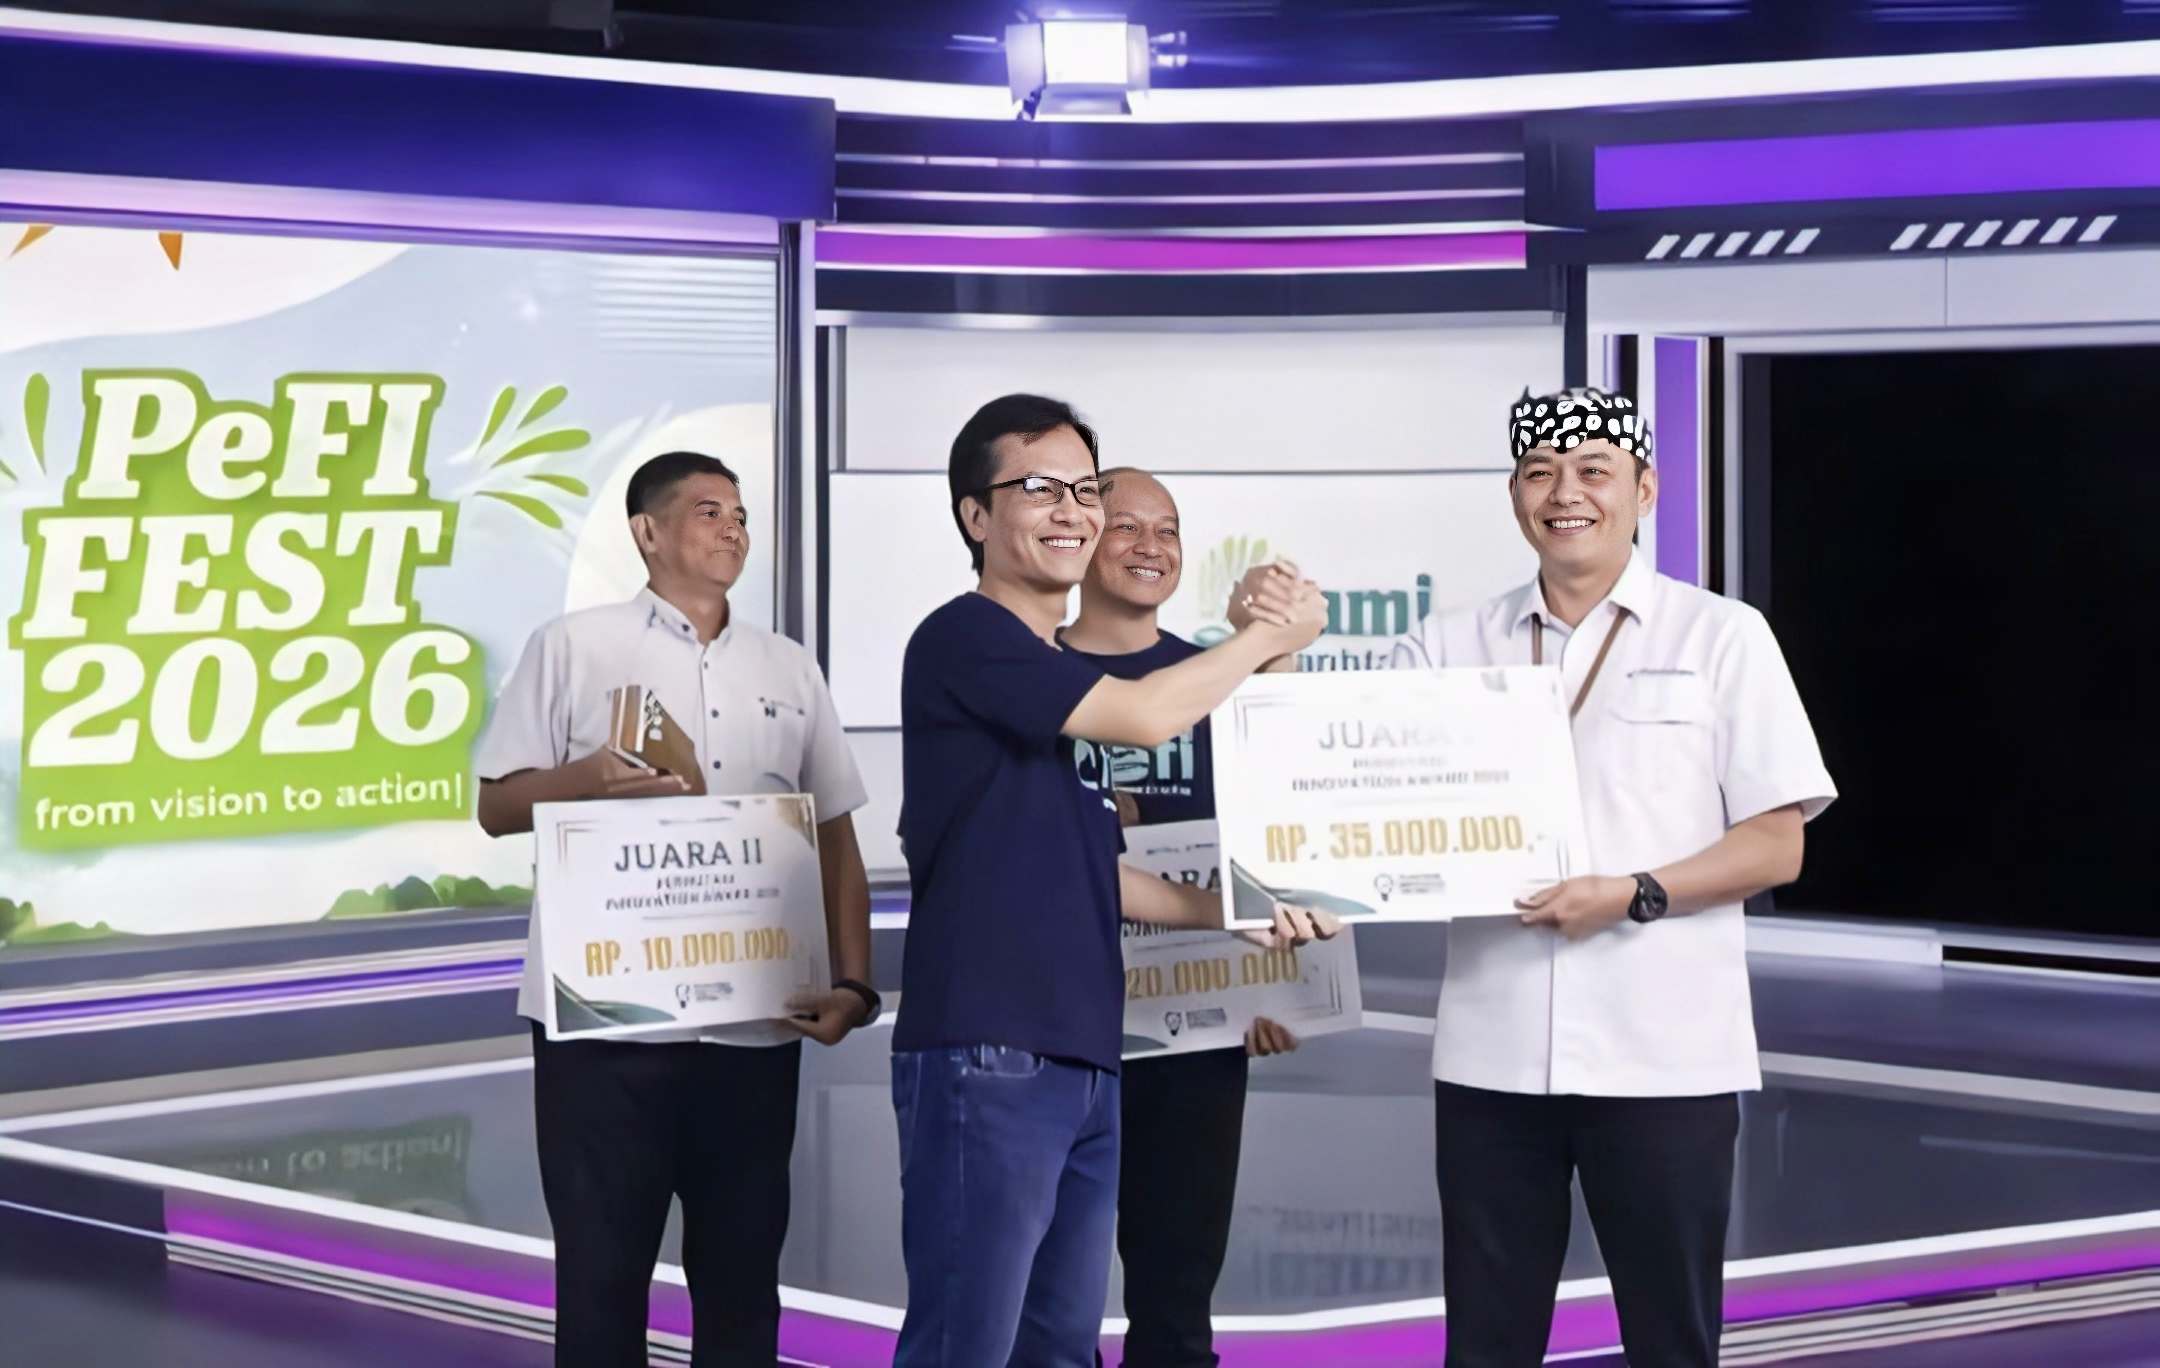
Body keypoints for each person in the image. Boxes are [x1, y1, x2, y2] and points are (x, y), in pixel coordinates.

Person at [1237, 386, 1834, 1366]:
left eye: (1594, 471)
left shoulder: (1722, 636)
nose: (1566, 494)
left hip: (1665, 1056)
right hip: (1494, 1057)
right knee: (1486, 1340)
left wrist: (1633, 892)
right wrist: (1271, 646)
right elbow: (1347, 789)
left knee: (1672, 1339)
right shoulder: (1447, 643)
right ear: (1514, 494)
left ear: (1645, 490)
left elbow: (1777, 845)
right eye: (1540, 472)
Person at [893, 395, 1331, 1368]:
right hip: (992, 1047)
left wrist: (1241, 913)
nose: (1072, 510)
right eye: (1039, 488)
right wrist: (1263, 636)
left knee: (1058, 1348)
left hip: (1083, 1058)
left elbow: (1096, 870)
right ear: (976, 515)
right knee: (968, 1345)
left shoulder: (1049, 677)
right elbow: (1143, 718)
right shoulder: (967, 637)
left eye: (1084, 490)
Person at [473, 451, 876, 1368]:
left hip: (755, 1025)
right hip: (606, 1031)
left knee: (743, 1287)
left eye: (740, 514)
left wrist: (855, 984)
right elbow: (496, 807)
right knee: (601, 1283)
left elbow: (835, 835)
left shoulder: (787, 666)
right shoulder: (572, 646)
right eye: (708, 511)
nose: (733, 528)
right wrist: (589, 777)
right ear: (647, 532)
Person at [1059, 466, 1297, 1368]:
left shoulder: (1213, 678)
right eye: (1127, 526)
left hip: (1195, 1031)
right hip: (1055, 1028)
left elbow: (1278, 840)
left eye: (1168, 529)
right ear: (1081, 535)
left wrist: (1281, 991)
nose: (1151, 546)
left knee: (1177, 1297)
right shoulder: (1030, 672)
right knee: (1047, 1297)